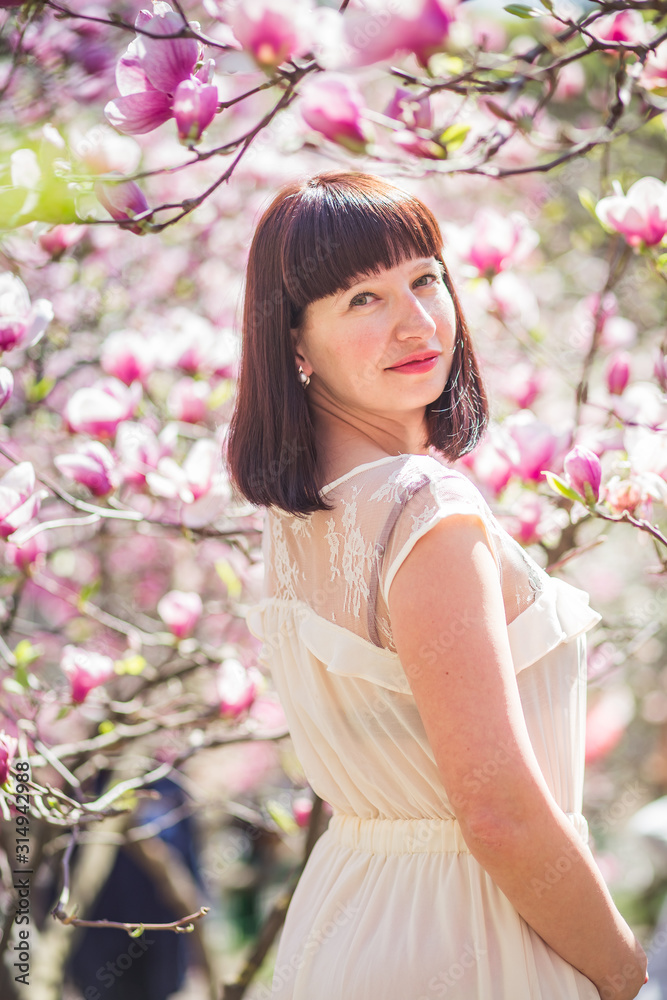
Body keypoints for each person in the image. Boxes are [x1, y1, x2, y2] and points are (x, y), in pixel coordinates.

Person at [225, 170, 648, 999]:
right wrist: (623, 973)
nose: (416, 321)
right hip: (474, 935)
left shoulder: (300, 517)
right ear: (295, 345)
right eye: (360, 300)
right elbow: (497, 816)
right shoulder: (423, 510)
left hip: (345, 926)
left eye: (424, 279)